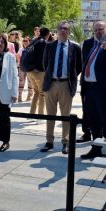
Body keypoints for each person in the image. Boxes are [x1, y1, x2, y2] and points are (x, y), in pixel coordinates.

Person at [80, 20, 106, 160]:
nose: (99, 32)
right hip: (89, 87)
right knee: (93, 120)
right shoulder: (89, 44)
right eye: (96, 30)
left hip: (104, 88)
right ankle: (96, 148)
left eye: (101, 29)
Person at [40, 21, 83, 154]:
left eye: (65, 29)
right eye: (60, 28)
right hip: (51, 84)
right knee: (50, 115)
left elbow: (79, 66)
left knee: (66, 116)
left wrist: (70, 78)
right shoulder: (50, 46)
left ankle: (65, 142)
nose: (63, 31)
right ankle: (49, 141)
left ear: (69, 32)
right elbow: (45, 63)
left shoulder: (75, 47)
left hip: (66, 84)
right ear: (57, 31)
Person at [27, 27, 50, 115]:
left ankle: (32, 113)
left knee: (36, 92)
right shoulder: (44, 43)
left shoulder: (34, 40)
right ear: (47, 34)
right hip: (39, 72)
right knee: (42, 94)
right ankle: (40, 115)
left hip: (30, 71)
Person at [17, 36, 31, 102]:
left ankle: (29, 95)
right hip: (22, 67)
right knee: (21, 82)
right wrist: (19, 64)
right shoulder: (21, 49)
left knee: (30, 82)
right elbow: (18, 56)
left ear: (29, 42)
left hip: (29, 68)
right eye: (24, 41)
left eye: (26, 41)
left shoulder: (31, 49)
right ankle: (19, 96)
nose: (25, 42)